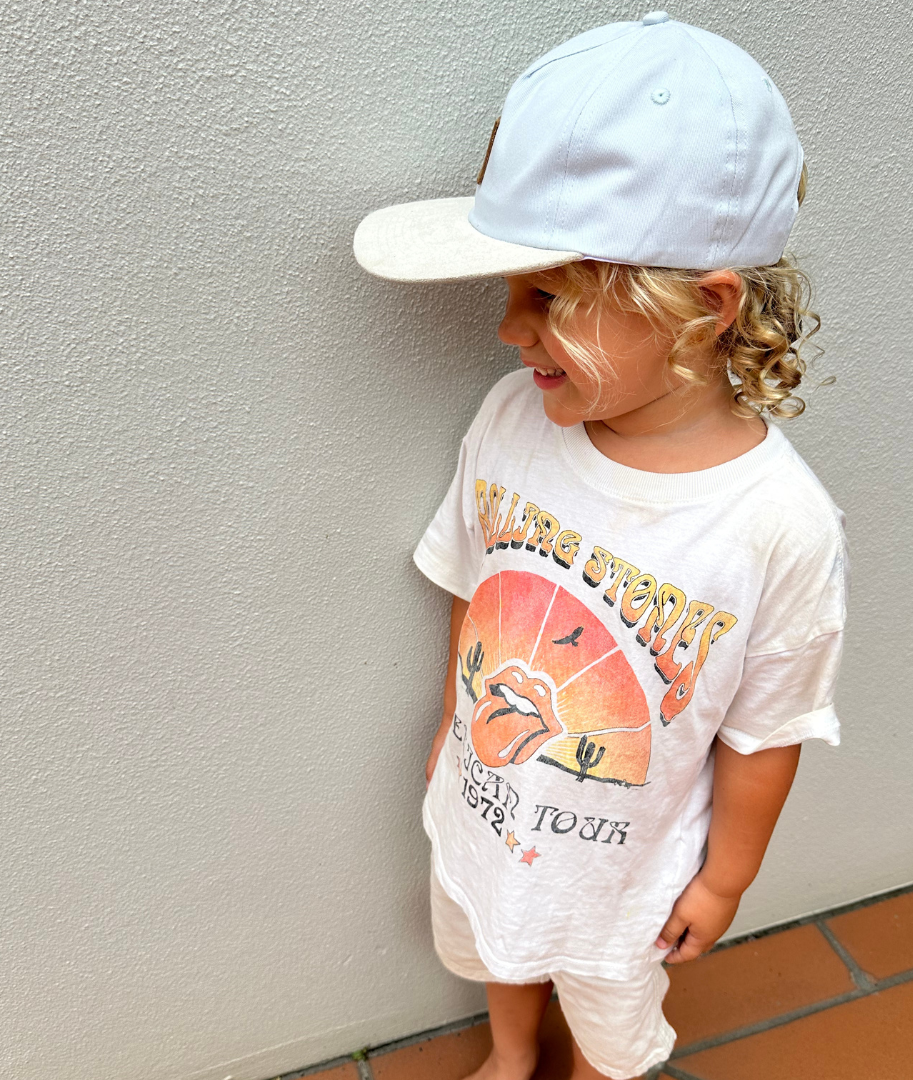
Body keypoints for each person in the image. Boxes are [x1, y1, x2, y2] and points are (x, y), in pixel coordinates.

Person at [353, 12, 848, 1080]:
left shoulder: (776, 524)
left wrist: (724, 878)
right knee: (496, 938)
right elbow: (481, 588)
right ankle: (510, 1052)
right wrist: (450, 726)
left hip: (624, 877)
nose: (508, 328)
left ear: (703, 308)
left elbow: (769, 727)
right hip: (486, 806)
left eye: (548, 296)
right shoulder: (511, 418)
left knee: (607, 1005)